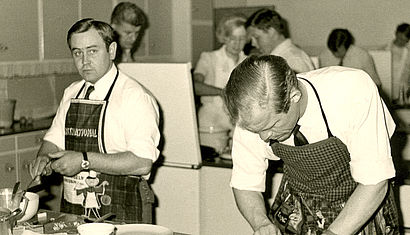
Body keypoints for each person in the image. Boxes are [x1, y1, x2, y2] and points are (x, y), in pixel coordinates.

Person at [223, 55, 399, 234]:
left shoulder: (351, 91)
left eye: (272, 126)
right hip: (299, 206)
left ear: (294, 96)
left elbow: (374, 182)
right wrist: (261, 224)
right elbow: (245, 182)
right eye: (256, 131)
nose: (263, 138)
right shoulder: (253, 112)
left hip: (360, 205)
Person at [30, 18, 160, 224]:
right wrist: (44, 158)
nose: (84, 60)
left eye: (92, 51)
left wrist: (82, 160)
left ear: (111, 51)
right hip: (74, 205)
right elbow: (54, 139)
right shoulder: (72, 92)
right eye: (77, 52)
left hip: (122, 204)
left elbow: (142, 162)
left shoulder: (134, 96)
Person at [193, 14, 248, 146]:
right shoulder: (209, 58)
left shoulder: (248, 61)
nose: (237, 43)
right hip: (211, 118)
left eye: (242, 38)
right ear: (224, 37)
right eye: (232, 38)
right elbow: (195, 86)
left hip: (240, 119)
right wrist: (223, 92)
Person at [245, 8, 314, 73]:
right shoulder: (280, 57)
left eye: (257, 37)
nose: (253, 44)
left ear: (271, 31)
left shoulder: (293, 60)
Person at [384, 23, 410, 102]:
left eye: (405, 41)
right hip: (388, 91)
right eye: (400, 39)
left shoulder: (408, 52)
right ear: (396, 33)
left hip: (404, 92)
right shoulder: (384, 51)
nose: (402, 42)